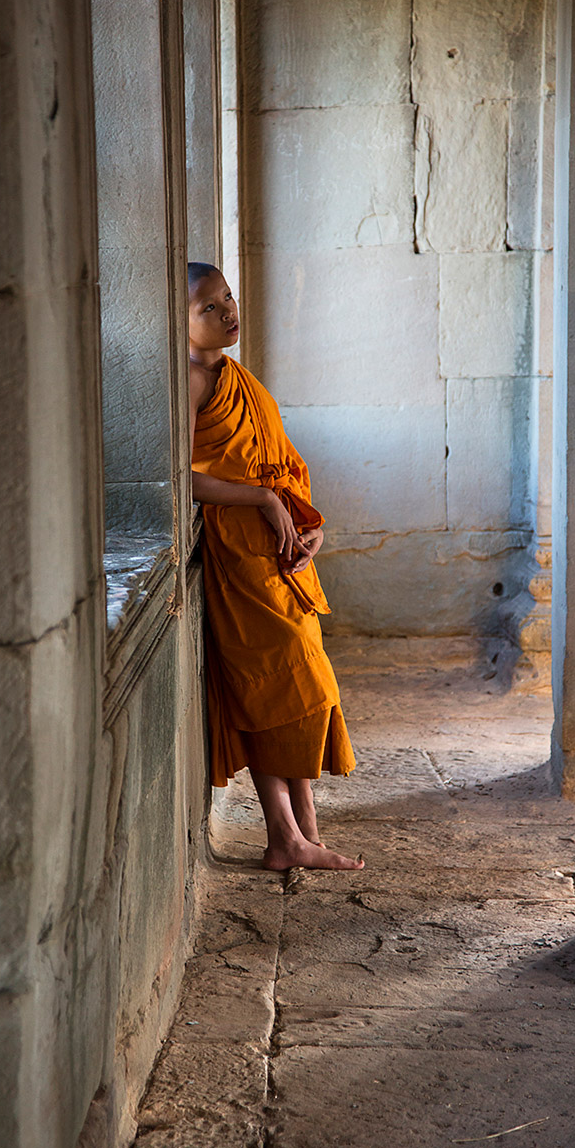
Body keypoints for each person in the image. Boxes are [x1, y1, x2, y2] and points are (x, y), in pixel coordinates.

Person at [188, 262, 363, 871]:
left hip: (282, 544)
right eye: (209, 307)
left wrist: (308, 522)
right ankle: (284, 837)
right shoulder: (190, 381)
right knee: (276, 685)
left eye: (228, 297)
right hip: (241, 552)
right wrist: (262, 499)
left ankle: (303, 829)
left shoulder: (234, 374)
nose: (228, 311)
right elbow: (179, 476)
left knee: (298, 683)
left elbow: (276, 457)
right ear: (178, 321)